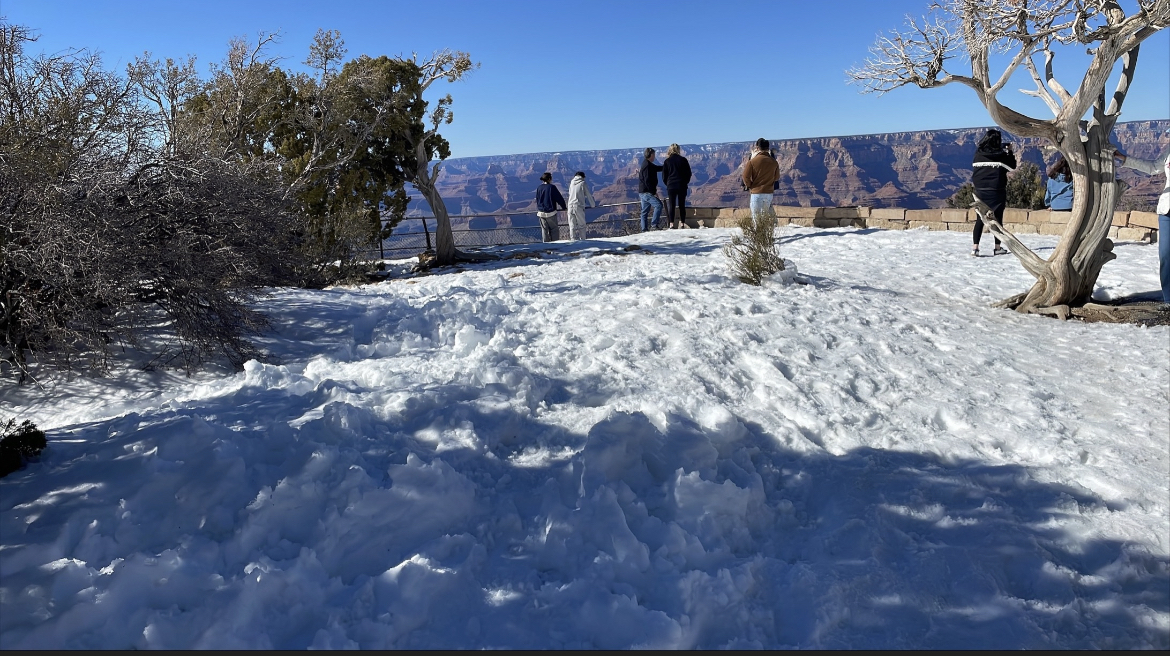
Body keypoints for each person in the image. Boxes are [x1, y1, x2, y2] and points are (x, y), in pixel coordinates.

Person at [1117, 148, 1170, 303]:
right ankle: (1168, 301)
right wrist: (1125, 159)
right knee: (1166, 256)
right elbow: (1153, 167)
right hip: (1166, 210)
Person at [970, 129, 1017, 257]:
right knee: (997, 219)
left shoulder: (978, 154)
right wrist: (1009, 152)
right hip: (997, 192)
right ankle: (997, 248)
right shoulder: (1001, 156)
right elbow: (1012, 166)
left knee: (980, 219)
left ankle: (975, 248)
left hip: (980, 191)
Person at [742, 137, 780, 220]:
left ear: (757, 148)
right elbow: (777, 177)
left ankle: (759, 232)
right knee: (765, 217)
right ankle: (768, 232)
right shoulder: (774, 162)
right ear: (768, 148)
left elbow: (745, 176)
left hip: (756, 193)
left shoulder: (752, 161)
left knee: (756, 218)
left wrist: (750, 186)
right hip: (769, 193)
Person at [662, 143, 692, 229]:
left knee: (672, 205)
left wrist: (668, 183)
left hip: (671, 186)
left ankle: (671, 224)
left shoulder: (667, 161)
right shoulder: (683, 160)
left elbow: (664, 176)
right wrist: (685, 182)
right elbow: (688, 173)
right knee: (682, 204)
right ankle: (682, 223)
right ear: (678, 150)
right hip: (682, 185)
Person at [638, 147, 665, 231]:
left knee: (644, 212)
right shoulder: (647, 165)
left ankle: (644, 229)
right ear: (651, 155)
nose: (655, 157)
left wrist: (667, 165)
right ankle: (654, 225)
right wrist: (653, 192)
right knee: (658, 205)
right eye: (654, 155)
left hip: (643, 191)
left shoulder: (647, 163)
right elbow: (647, 180)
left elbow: (657, 168)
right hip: (647, 192)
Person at [535, 172, 566, 242]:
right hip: (550, 212)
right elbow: (559, 198)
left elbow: (537, 199)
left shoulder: (539, 188)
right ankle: (555, 246)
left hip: (541, 213)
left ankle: (546, 247)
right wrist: (564, 207)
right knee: (554, 229)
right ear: (549, 179)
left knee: (544, 230)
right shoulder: (552, 187)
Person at [566, 171, 597, 241]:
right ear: (583, 177)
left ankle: (572, 240)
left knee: (572, 225)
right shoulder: (583, 183)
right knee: (582, 225)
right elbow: (588, 195)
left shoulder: (571, 183)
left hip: (570, 205)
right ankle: (583, 240)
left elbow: (570, 193)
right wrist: (593, 205)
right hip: (578, 206)